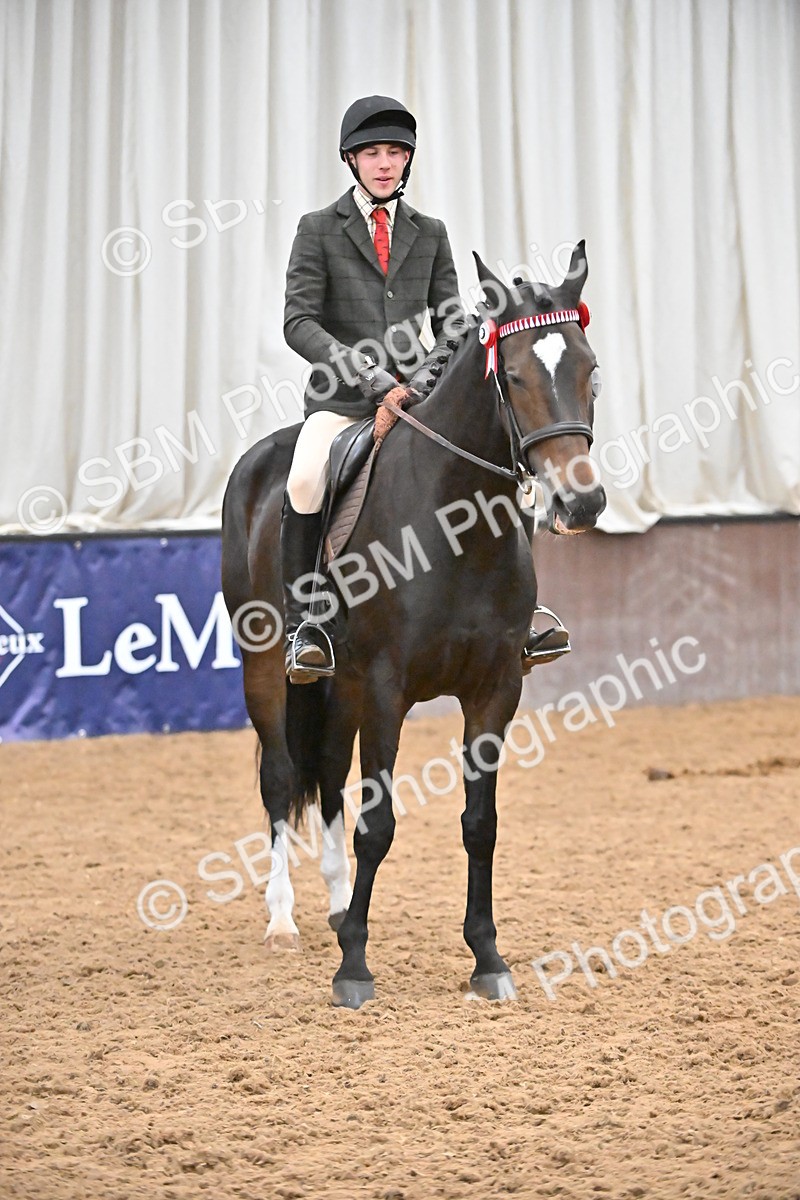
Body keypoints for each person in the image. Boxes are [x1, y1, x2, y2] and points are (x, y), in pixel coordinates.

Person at [281, 95, 570, 684]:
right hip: (342, 401)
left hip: (417, 401)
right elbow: (299, 322)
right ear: (352, 160)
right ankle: (305, 623)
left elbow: (454, 321)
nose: (384, 163)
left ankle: (524, 613)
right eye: (372, 153)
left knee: (503, 467)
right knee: (305, 477)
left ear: (407, 161)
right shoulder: (317, 230)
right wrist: (368, 374)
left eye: (395, 153)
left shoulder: (429, 232)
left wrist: (422, 379)